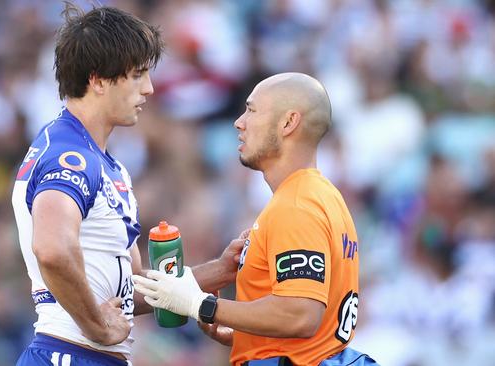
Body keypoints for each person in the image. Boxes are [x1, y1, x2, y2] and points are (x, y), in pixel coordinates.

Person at [12, 4, 243, 365]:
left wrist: (218, 271)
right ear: (98, 80)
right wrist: (98, 326)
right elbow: (51, 249)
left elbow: (130, 293)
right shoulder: (68, 155)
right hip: (70, 352)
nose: (149, 89)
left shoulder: (108, 165)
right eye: (137, 75)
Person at [133, 73, 378, 366]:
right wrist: (247, 336)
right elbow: (316, 329)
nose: (239, 122)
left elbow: (300, 315)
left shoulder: (297, 205)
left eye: (251, 110)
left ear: (288, 122)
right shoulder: (320, 196)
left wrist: (202, 305)